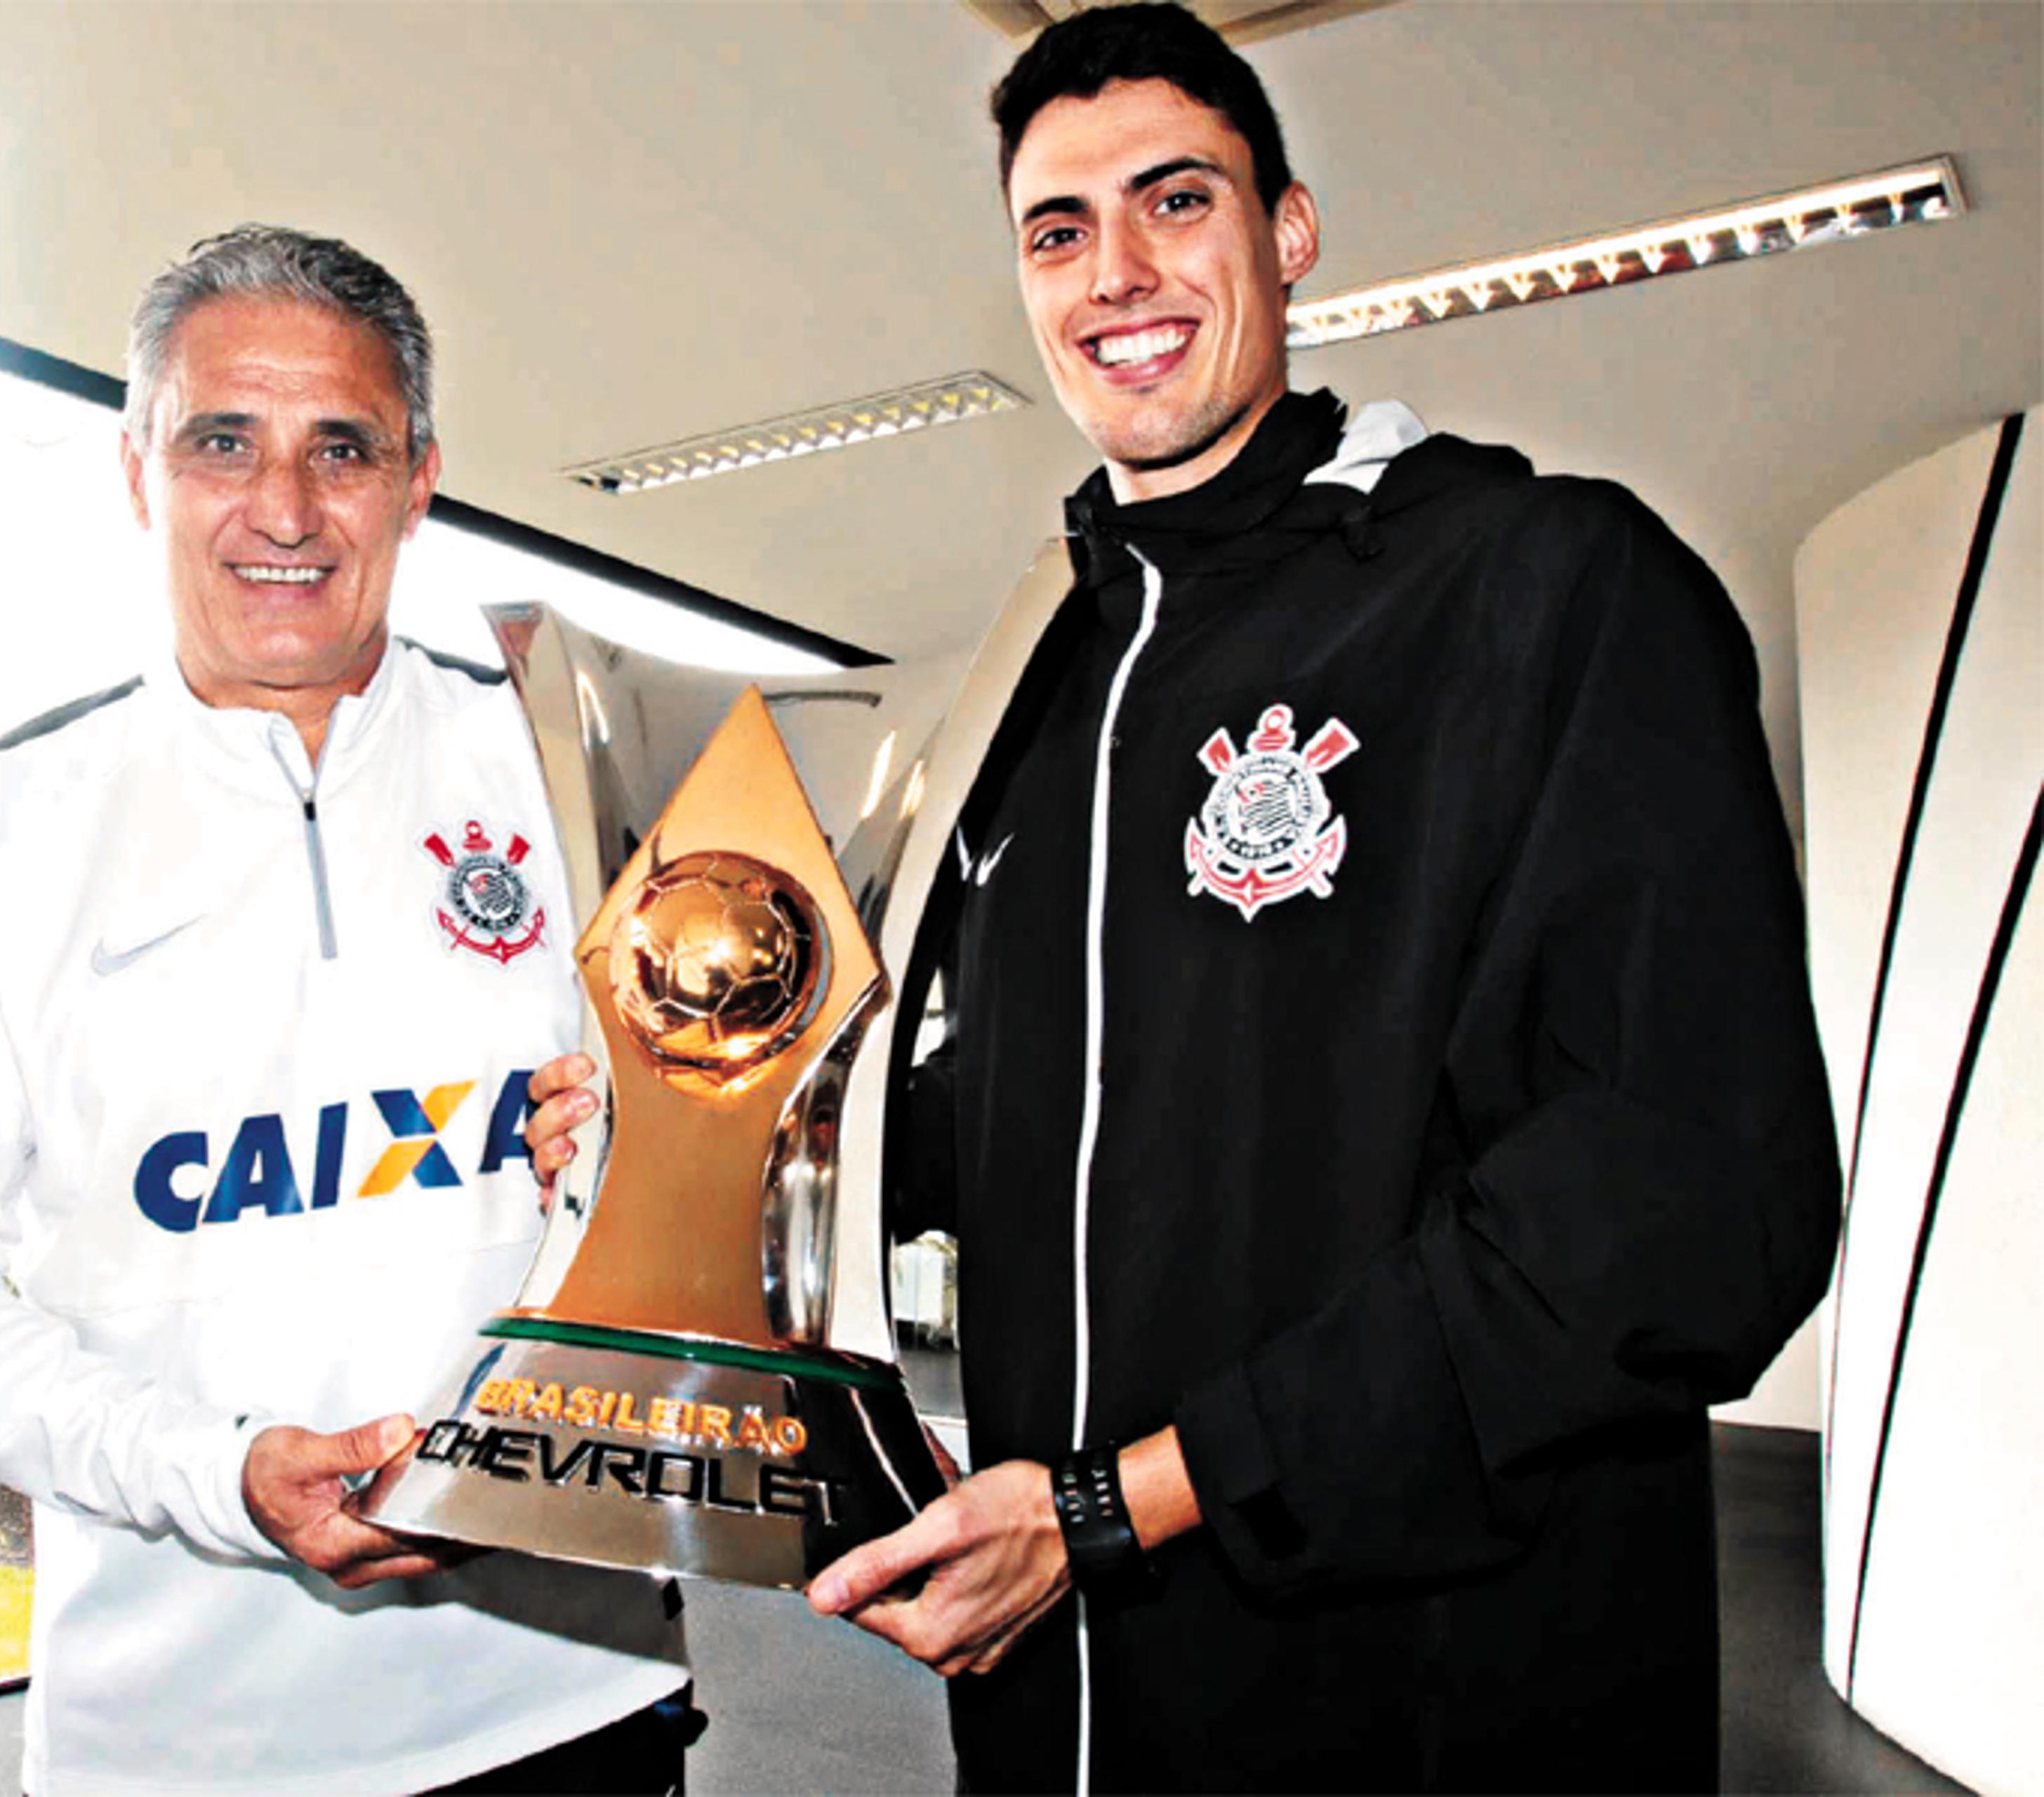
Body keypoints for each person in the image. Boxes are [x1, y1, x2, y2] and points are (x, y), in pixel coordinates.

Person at [527, 8, 1840, 1789]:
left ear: (1288, 232)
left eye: (1175, 201)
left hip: (1435, 1700)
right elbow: (1011, 1120)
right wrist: (699, 1131)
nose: (1116, 273)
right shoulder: (1041, 691)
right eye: (1058, 231)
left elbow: (1685, 1209)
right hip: (1060, 1684)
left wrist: (1129, 1500)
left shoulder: (1541, 586)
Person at [0, 225, 690, 1796]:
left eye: (340, 447)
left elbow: (722, 1169)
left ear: (419, 478)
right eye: (224, 439)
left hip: (567, 1699)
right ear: (140, 470)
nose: (284, 509)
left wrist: (654, 1159)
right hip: (178, 1745)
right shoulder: (1, 823)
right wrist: (210, 1473)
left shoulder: (571, 775)